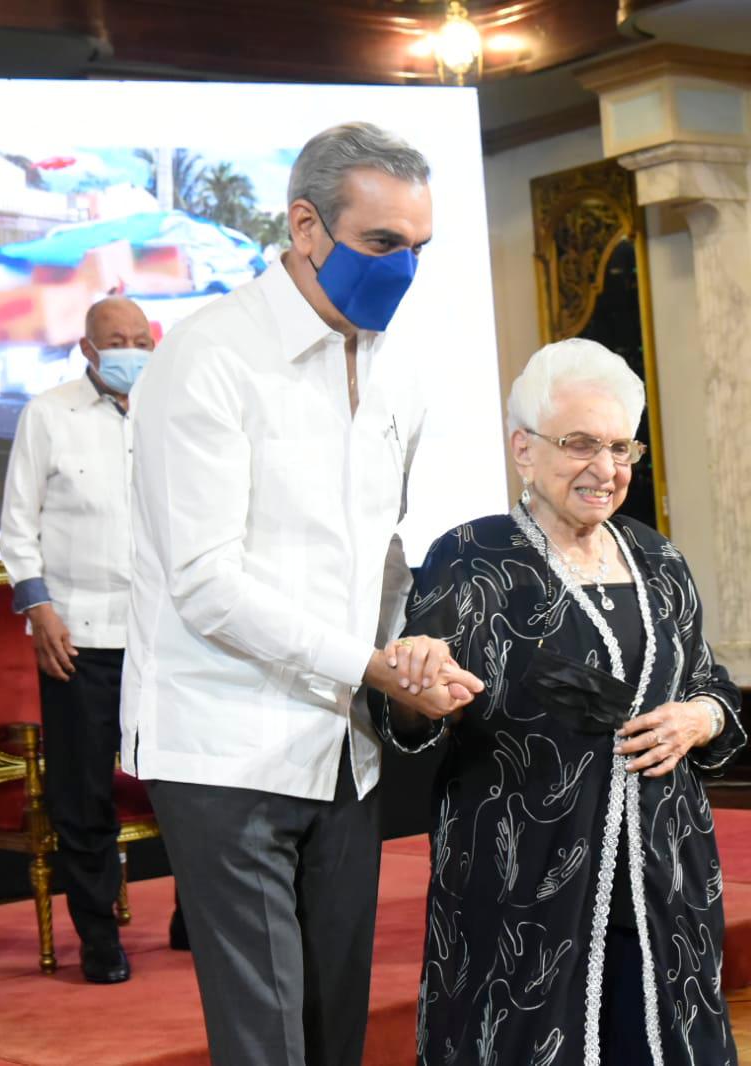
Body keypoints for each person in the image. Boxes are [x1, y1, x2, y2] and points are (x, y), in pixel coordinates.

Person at [122, 121, 483, 1066]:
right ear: (306, 225)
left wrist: (413, 647)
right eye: (381, 244)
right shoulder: (208, 358)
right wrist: (371, 664)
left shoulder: (393, 366)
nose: (402, 269)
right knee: (266, 1037)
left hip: (344, 746)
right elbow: (206, 584)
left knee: (334, 1027)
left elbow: (382, 555)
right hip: (223, 747)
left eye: (418, 249)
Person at [381, 338, 746, 1064]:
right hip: (523, 882)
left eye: (619, 448)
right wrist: (418, 687)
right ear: (523, 449)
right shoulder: (472, 557)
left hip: (662, 872)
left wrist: (699, 717)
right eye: (579, 444)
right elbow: (412, 712)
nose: (604, 469)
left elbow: (710, 680)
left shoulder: (657, 557)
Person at [0, 295, 182, 981]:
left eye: (141, 337)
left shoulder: (175, 411)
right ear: (87, 348)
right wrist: (39, 610)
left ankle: (194, 912)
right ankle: (99, 933)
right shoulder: (48, 415)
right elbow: (18, 527)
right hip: (77, 636)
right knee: (82, 797)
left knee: (186, 783)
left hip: (169, 636)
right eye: (116, 339)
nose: (131, 348)